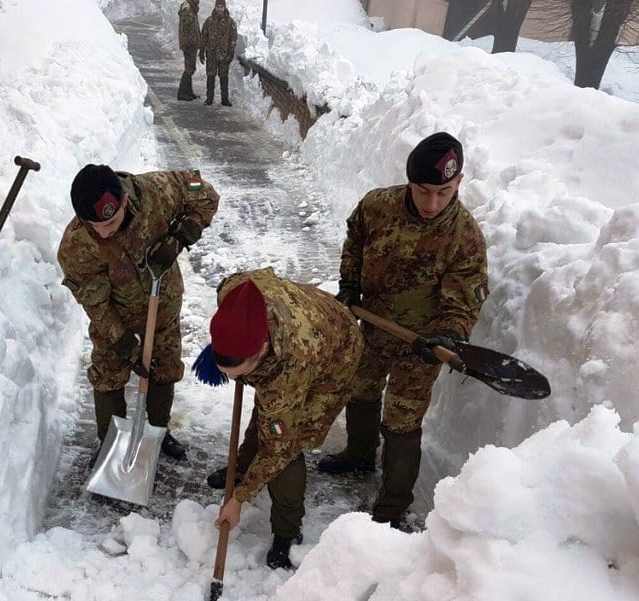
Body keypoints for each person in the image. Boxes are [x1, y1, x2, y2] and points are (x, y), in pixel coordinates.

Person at [319, 132, 489, 529]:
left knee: (402, 418)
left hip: (424, 344)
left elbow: (465, 296)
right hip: (374, 324)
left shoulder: (464, 237)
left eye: (444, 192)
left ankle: (392, 506)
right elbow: (355, 239)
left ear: (459, 182)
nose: (432, 204)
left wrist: (450, 334)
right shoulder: (378, 206)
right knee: (360, 388)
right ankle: (359, 455)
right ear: (409, 182)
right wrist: (349, 283)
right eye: (423, 191)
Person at [203, 267, 365, 569]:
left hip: (334, 353)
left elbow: (278, 446)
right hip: (304, 313)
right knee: (270, 413)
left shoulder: (292, 363)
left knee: (287, 442)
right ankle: (245, 468)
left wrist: (239, 499)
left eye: (240, 374)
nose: (235, 380)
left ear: (263, 348)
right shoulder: (234, 293)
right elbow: (233, 288)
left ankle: (287, 530)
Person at [57, 164, 220, 460]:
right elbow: (97, 304)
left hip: (163, 304)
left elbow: (203, 190)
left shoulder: (157, 190)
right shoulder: (75, 247)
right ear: (84, 221)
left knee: (165, 366)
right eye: (101, 228)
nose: (110, 230)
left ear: (124, 200)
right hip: (115, 316)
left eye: (116, 219)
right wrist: (123, 343)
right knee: (108, 373)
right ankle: (109, 443)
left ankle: (158, 432)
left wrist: (184, 233)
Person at [199, 0, 237, 107]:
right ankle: (209, 98)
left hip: (224, 55)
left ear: (224, 8)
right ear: (215, 7)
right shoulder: (209, 21)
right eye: (218, 6)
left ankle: (225, 99)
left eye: (221, 7)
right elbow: (204, 36)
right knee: (210, 76)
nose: (219, 9)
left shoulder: (230, 22)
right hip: (211, 54)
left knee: (223, 76)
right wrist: (201, 50)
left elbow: (233, 38)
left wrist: (231, 52)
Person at [177, 0, 202, 101]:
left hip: (192, 44)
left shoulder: (191, 8)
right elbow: (185, 29)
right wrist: (187, 44)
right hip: (189, 45)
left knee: (190, 67)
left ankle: (188, 92)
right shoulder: (187, 9)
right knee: (189, 68)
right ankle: (182, 93)